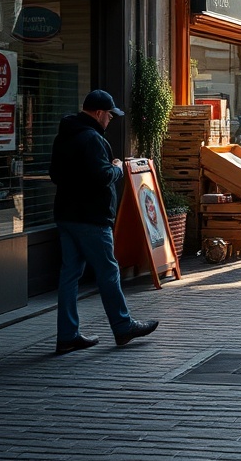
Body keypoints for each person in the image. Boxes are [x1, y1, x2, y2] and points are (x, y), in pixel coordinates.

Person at [49, 89, 159, 355]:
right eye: (109, 115)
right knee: (108, 272)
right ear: (99, 113)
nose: (110, 120)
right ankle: (123, 327)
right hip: (91, 219)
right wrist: (118, 168)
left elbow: (54, 174)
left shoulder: (64, 135)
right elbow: (101, 176)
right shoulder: (92, 139)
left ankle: (67, 335)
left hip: (66, 215)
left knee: (69, 276)